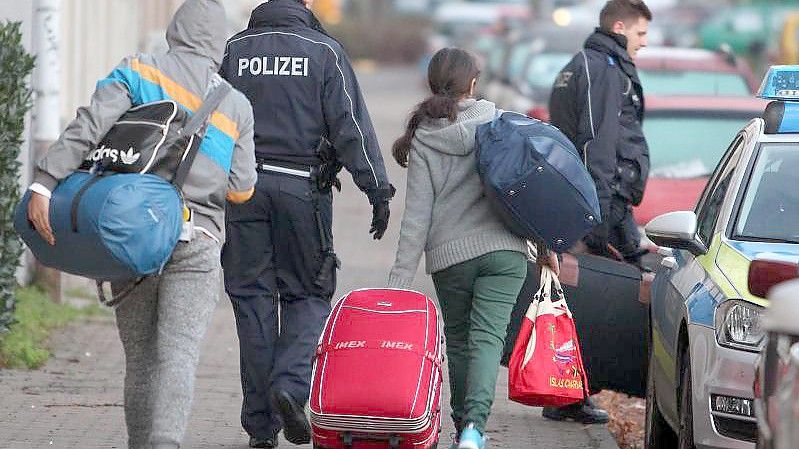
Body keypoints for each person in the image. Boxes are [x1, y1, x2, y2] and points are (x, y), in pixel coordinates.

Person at [25, 1, 258, 448]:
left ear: (175, 30)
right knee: (178, 357)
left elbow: (88, 127)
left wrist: (44, 182)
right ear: (219, 43)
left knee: (141, 358)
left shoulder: (136, 70)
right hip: (198, 236)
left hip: (130, 233)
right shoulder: (236, 104)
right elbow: (241, 189)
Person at [218, 1, 395, 447]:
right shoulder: (323, 51)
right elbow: (351, 125)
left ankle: (261, 429)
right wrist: (376, 190)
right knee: (309, 293)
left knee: (253, 301)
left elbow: (212, 122)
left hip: (244, 190)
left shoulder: (235, 50)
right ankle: (291, 387)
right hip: (302, 192)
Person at [387, 48, 560, 449]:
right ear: (472, 84)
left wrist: (399, 282)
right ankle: (473, 432)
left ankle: (461, 424)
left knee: (461, 342)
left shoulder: (425, 136)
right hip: (505, 252)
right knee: (488, 340)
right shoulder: (497, 122)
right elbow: (525, 191)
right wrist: (545, 241)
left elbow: (417, 216)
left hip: (451, 258)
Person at [546, 0, 652, 423]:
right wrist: (600, 212)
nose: (644, 43)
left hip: (593, 198)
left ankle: (570, 394)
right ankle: (570, 396)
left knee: (582, 296)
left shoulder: (585, 64)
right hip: (600, 201)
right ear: (621, 27)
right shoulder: (603, 69)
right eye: (642, 34)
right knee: (611, 295)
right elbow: (597, 142)